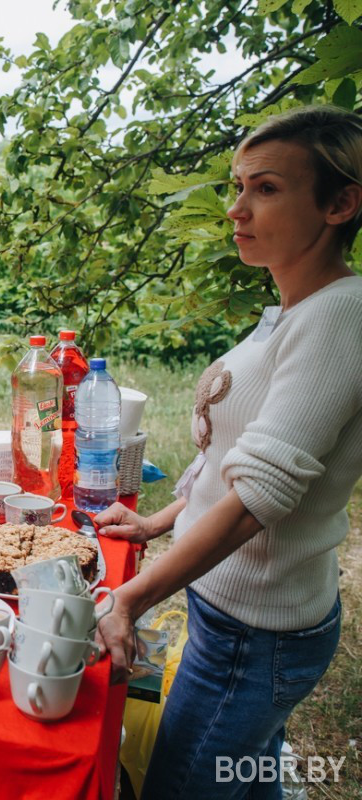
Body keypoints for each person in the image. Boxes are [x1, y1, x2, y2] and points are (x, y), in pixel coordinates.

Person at [95, 105, 362, 800]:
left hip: (258, 635)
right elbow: (237, 461)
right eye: (238, 186)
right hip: (237, 620)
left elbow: (260, 498)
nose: (237, 209)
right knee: (242, 778)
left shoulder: (342, 314)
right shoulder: (291, 311)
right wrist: (158, 523)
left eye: (266, 188)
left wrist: (129, 599)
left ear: (340, 203)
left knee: (183, 787)